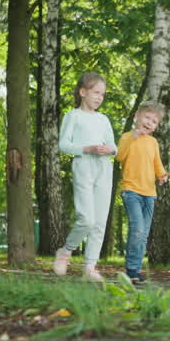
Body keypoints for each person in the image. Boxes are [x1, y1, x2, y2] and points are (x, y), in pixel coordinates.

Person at [55, 72, 116, 283]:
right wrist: (88, 148)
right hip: (83, 165)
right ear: (83, 92)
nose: (100, 97)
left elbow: (114, 146)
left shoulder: (103, 119)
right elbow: (63, 145)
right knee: (87, 219)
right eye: (96, 92)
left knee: (99, 222)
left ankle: (90, 267)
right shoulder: (73, 116)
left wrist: (108, 149)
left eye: (103, 94)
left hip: (104, 168)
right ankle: (66, 251)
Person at [114, 100, 168, 285]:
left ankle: (135, 271)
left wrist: (162, 174)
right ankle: (131, 270)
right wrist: (133, 137)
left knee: (143, 233)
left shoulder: (153, 142)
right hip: (131, 191)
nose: (149, 123)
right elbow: (119, 156)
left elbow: (156, 162)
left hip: (149, 193)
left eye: (154, 121)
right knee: (137, 229)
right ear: (137, 115)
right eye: (147, 117)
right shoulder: (126, 137)